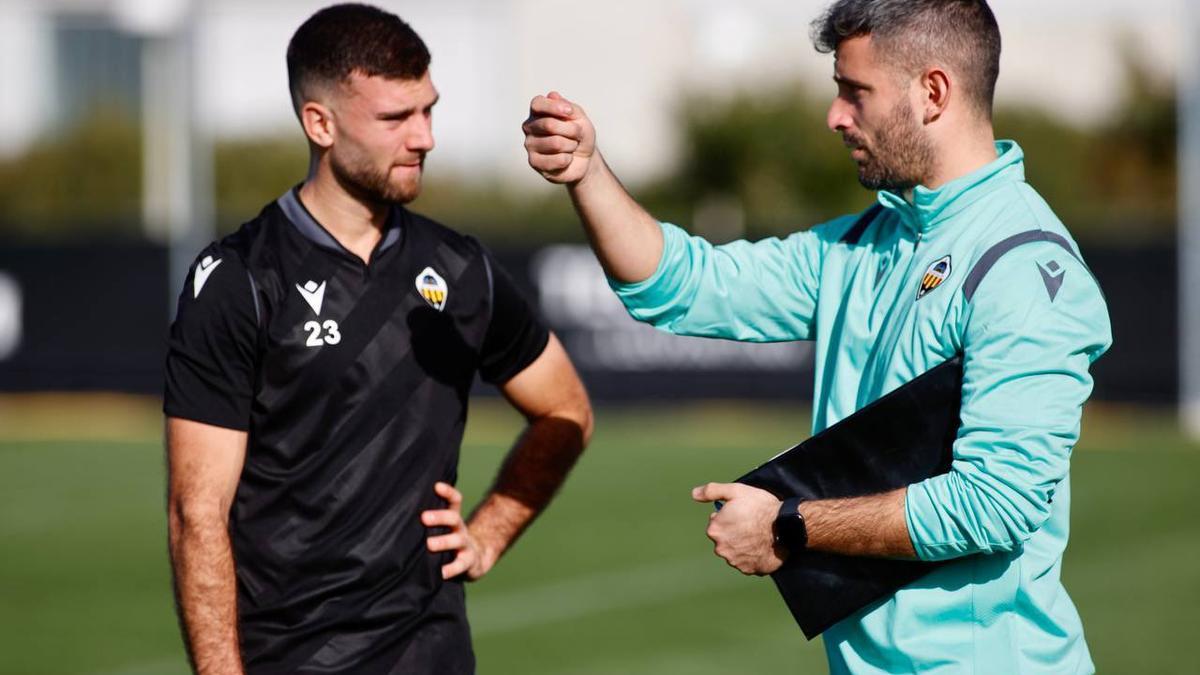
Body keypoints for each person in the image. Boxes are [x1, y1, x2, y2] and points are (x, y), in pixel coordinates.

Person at [523, 0, 1109, 672]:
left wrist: (789, 524)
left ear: (934, 92)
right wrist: (588, 173)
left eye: (855, 91)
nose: (835, 114)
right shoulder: (869, 241)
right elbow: (686, 285)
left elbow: (994, 504)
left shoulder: (1026, 268)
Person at [164, 4, 592, 674]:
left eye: (429, 110)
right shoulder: (239, 280)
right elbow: (197, 514)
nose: (424, 137)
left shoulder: (461, 268)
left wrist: (487, 532)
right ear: (321, 123)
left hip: (434, 653)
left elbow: (566, 410)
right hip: (289, 657)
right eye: (396, 118)